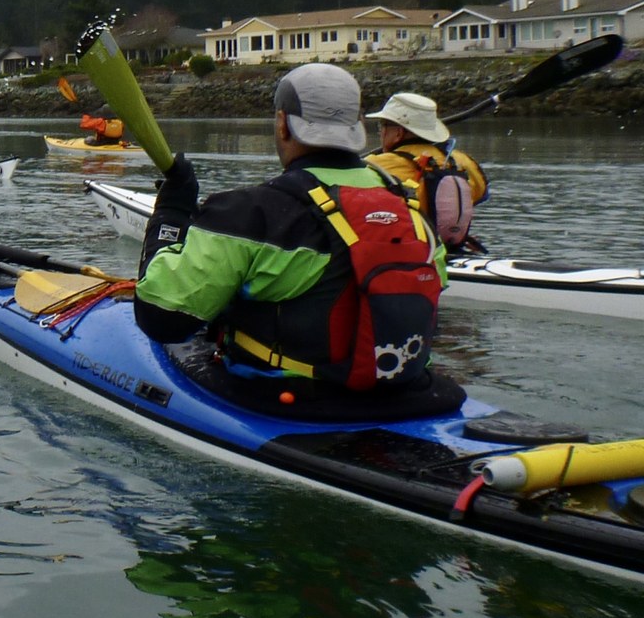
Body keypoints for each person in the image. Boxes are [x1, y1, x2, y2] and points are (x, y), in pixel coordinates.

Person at [133, 63, 448, 402]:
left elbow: (160, 319)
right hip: (404, 397)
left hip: (290, 403)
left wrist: (172, 209)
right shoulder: (412, 212)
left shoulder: (247, 213)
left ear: (283, 124)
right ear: (359, 127)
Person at [365, 93, 487, 252]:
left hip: (405, 253)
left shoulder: (375, 165)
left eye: (382, 126)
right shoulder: (461, 161)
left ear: (398, 133)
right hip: (450, 250)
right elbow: (480, 195)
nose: (380, 133)